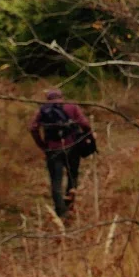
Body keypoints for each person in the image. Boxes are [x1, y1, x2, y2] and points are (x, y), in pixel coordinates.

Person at [30, 88, 93, 219]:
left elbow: (33, 128)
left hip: (52, 150)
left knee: (56, 180)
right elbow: (84, 123)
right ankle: (69, 204)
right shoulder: (72, 107)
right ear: (61, 96)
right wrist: (88, 136)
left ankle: (61, 212)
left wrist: (42, 145)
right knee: (73, 175)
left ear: (47, 99)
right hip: (72, 147)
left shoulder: (42, 110)